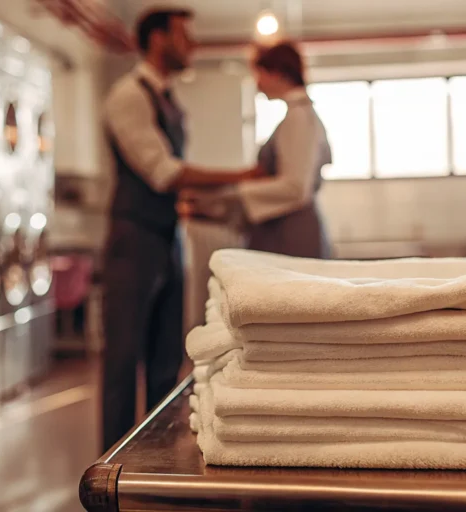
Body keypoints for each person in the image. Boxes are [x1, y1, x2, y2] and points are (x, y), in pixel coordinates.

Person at [100, 6, 261, 451]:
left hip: (166, 237)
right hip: (133, 239)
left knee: (165, 359)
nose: (192, 44)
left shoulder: (169, 100)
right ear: (156, 39)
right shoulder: (128, 96)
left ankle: (151, 464)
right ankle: (110, 472)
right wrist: (244, 176)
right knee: (121, 363)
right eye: (183, 36)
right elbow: (162, 172)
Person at [182, 41, 333, 259]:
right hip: (282, 226)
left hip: (291, 231)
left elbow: (296, 187)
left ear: (278, 73)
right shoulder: (297, 116)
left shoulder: (299, 118)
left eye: (260, 74)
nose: (257, 83)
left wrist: (231, 196)